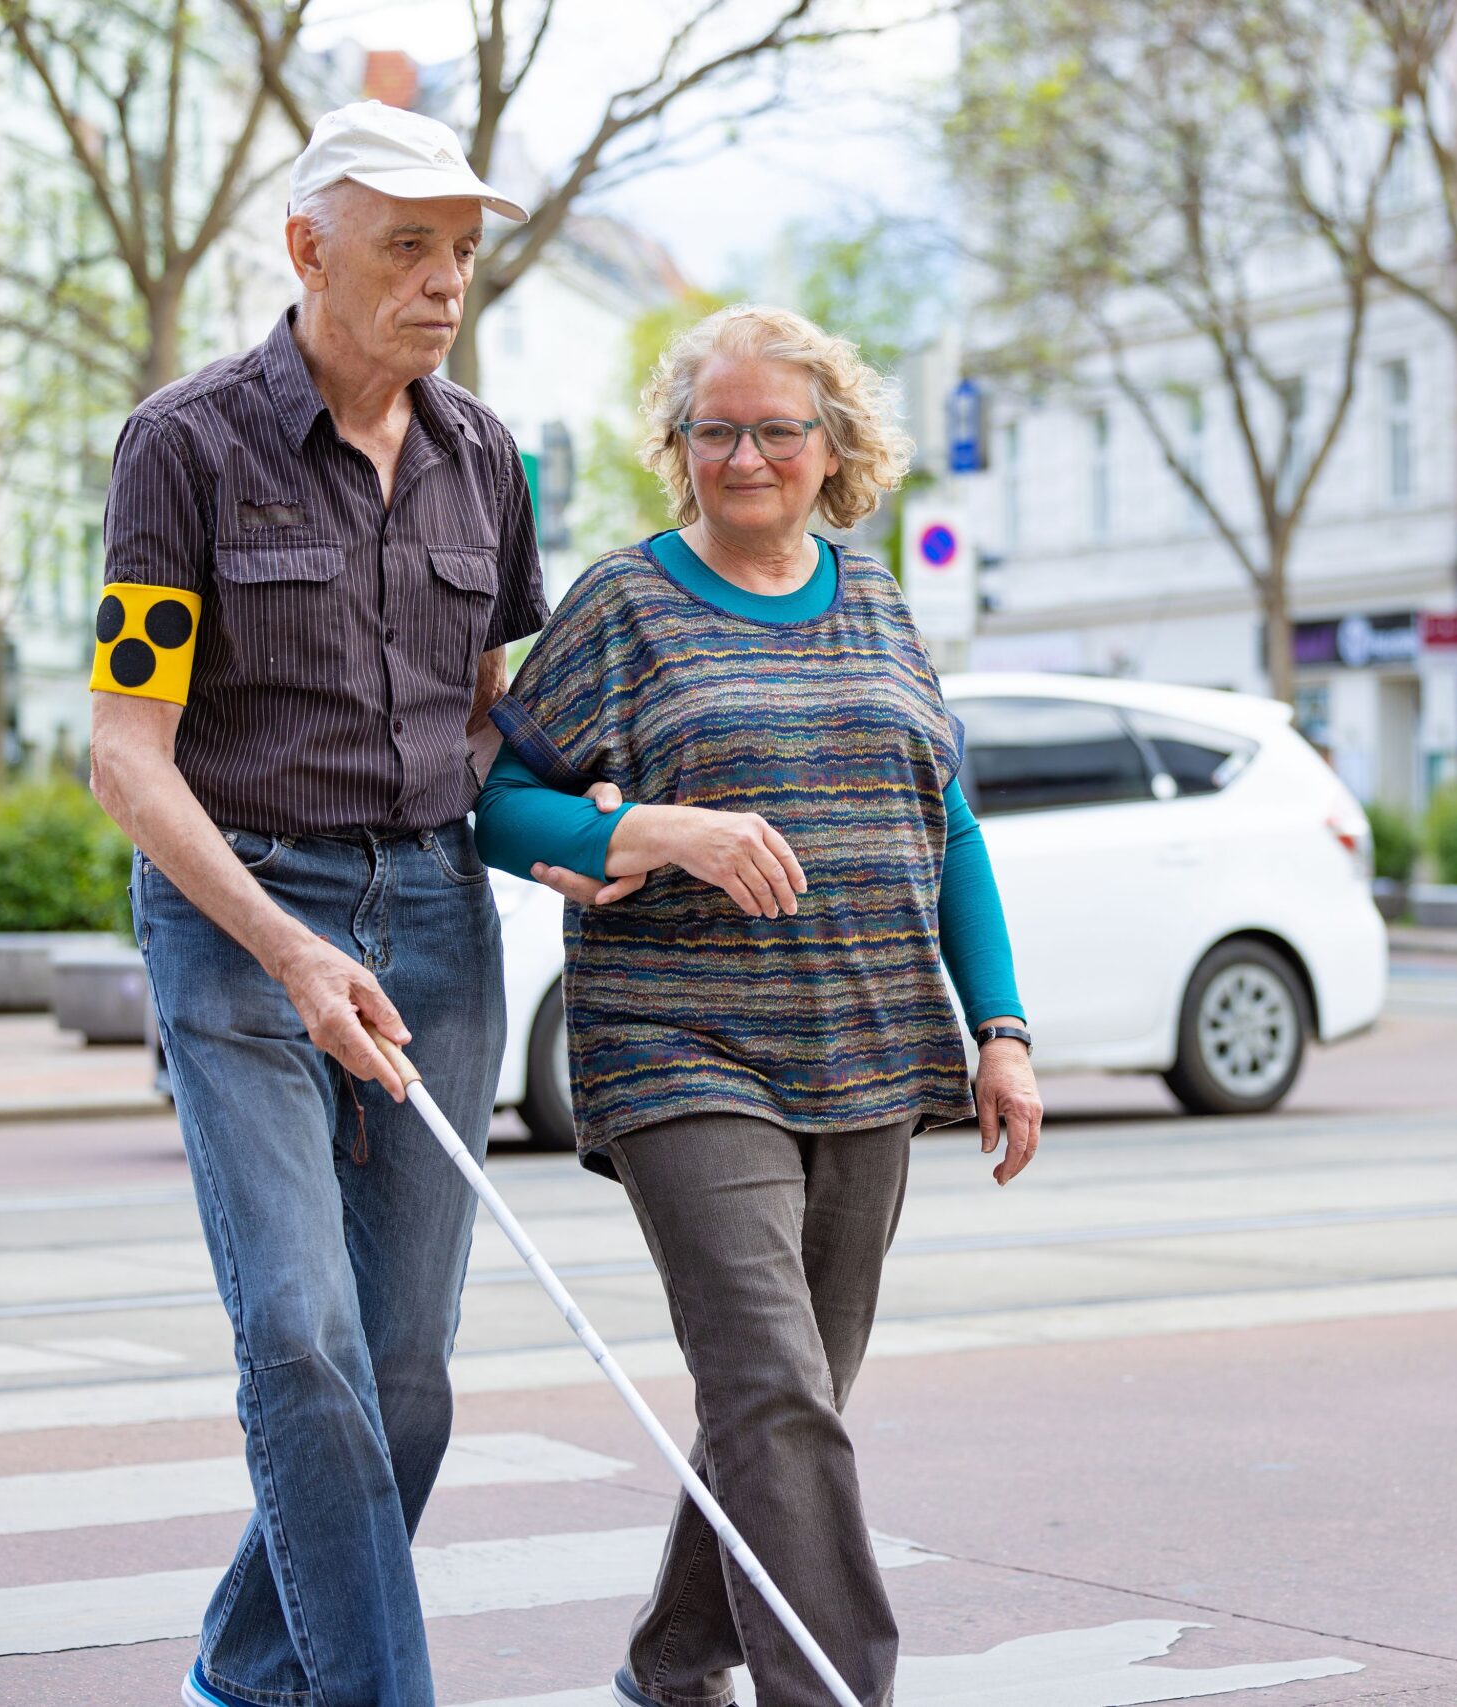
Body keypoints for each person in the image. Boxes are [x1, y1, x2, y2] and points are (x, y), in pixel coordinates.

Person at [472, 303, 1044, 1707]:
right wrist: (655, 829)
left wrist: (1004, 1028)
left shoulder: (875, 595)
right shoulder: (624, 603)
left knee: (787, 1401)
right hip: (680, 1046)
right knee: (776, 1383)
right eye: (714, 429)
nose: (744, 455)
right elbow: (492, 793)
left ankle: (674, 1659)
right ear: (677, 449)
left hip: (867, 1042)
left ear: (831, 445)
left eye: (775, 428)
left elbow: (948, 823)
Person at [87, 102, 547, 1707]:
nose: (444, 285)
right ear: (307, 250)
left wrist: (601, 824)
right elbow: (125, 756)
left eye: (462, 254)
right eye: (408, 248)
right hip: (238, 920)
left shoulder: (488, 458)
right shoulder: (183, 445)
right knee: (299, 1335)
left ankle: (245, 1658)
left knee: (404, 1377)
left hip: (436, 921)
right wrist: (286, 945)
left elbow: (486, 713)